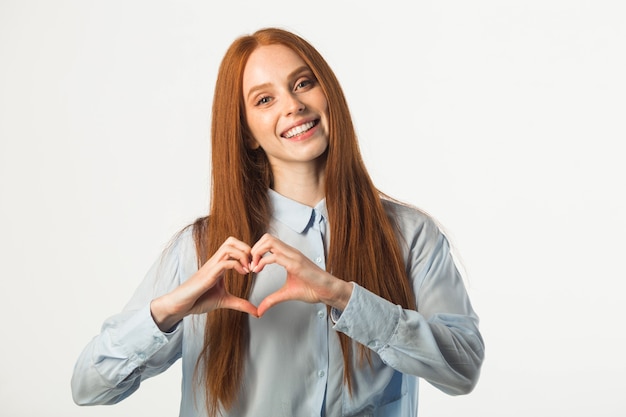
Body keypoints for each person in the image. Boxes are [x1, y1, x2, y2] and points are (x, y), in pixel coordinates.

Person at [71, 27, 485, 417]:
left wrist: (344, 297)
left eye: (303, 83)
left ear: (329, 94)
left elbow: (462, 370)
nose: (293, 105)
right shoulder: (201, 249)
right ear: (247, 131)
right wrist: (166, 312)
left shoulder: (410, 236)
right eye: (264, 99)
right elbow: (89, 387)